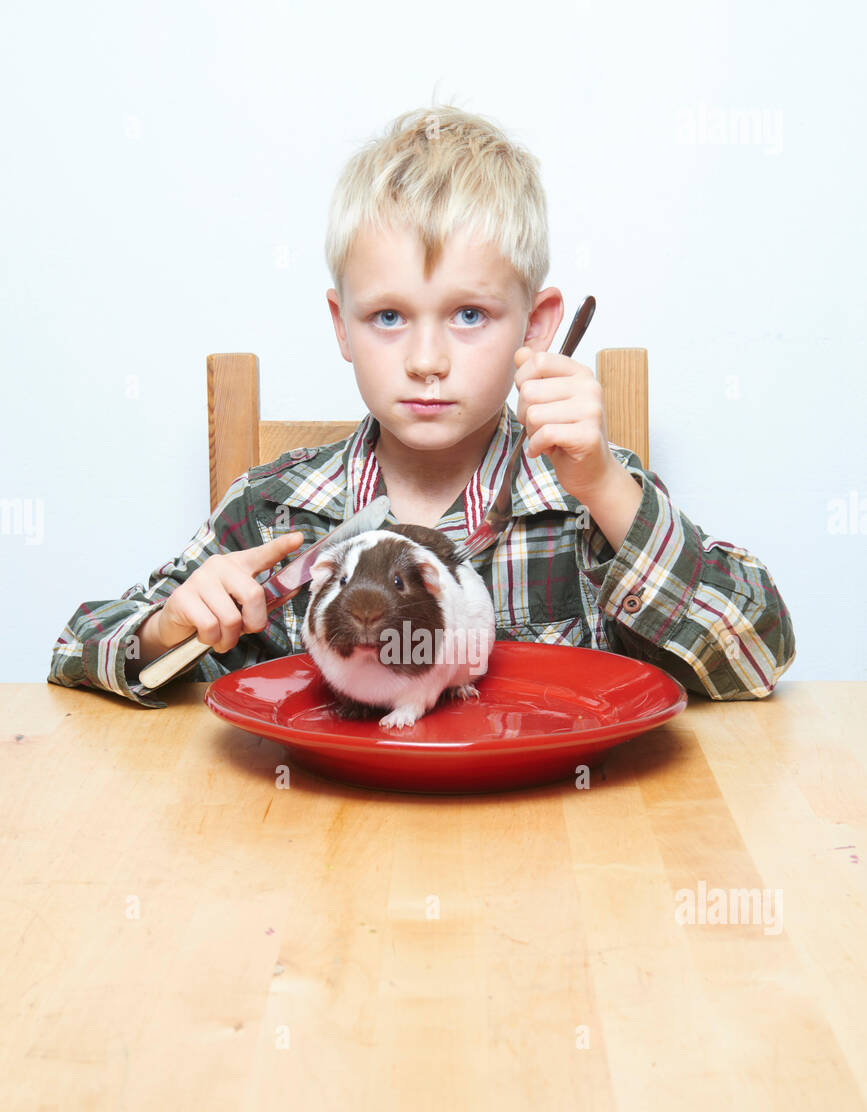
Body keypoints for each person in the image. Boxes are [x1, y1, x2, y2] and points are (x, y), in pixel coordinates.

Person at [47, 104, 795, 710]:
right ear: (341, 325)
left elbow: (758, 654)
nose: (427, 359)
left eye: (469, 315)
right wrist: (170, 625)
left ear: (535, 328)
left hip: (553, 851)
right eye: (389, 317)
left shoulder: (587, 501)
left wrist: (605, 488)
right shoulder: (274, 513)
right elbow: (78, 648)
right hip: (322, 848)